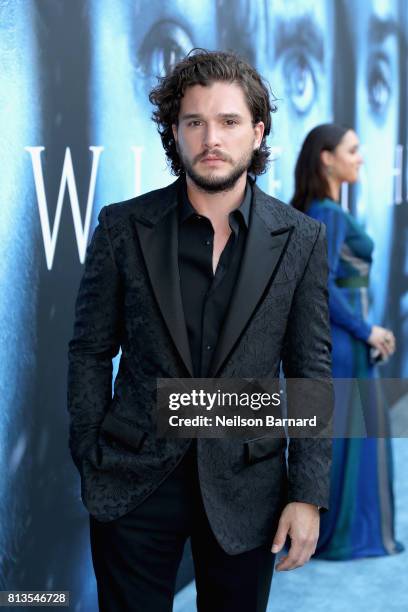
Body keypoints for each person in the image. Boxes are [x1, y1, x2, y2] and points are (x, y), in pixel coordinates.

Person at [67, 50, 333, 612]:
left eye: (230, 122)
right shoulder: (122, 227)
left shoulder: (302, 239)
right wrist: (90, 453)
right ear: (175, 132)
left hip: (248, 486)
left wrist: (307, 493)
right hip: (132, 480)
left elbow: (310, 370)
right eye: (195, 122)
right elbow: (90, 350)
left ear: (258, 132)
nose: (212, 138)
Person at [291, 123, 403, 559]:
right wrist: (366, 329)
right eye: (353, 150)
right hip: (342, 342)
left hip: (348, 338)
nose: (360, 157)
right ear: (326, 157)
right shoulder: (328, 214)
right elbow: (319, 282)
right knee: (349, 437)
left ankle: (341, 532)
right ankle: (343, 536)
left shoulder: (323, 211)